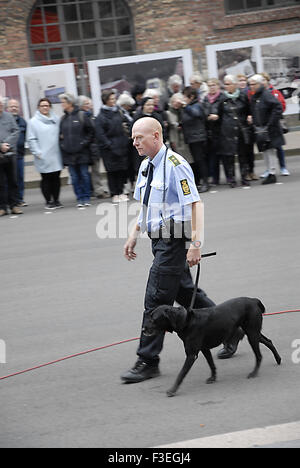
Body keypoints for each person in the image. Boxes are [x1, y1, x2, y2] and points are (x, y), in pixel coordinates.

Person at [121, 117, 215, 384]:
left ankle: (148, 360)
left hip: (173, 240)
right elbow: (147, 205)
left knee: (155, 300)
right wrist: (133, 233)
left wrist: (196, 244)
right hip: (158, 239)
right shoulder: (145, 166)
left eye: (139, 137)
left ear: (156, 136)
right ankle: (230, 328)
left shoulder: (176, 165)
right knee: (186, 293)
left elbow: (195, 205)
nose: (135, 142)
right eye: (133, 138)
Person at [27, 98, 63, 209]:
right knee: (46, 178)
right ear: (38, 107)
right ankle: (48, 201)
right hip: (43, 154)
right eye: (42, 106)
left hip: (56, 154)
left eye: (47, 105)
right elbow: (31, 139)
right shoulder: (33, 121)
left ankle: (56, 200)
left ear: (50, 107)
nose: (45, 108)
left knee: (56, 177)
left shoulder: (56, 119)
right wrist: (37, 152)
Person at [248, 74, 285, 185]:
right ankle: (270, 172)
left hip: (268, 129)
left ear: (259, 84)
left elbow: (277, 107)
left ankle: (272, 173)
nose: (251, 86)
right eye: (250, 84)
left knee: (270, 151)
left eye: (254, 84)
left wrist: (270, 123)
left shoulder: (265, 95)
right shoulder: (256, 96)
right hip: (261, 129)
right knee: (265, 151)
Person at [59, 93, 94, 207]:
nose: (61, 104)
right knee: (74, 177)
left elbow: (91, 132)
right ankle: (79, 198)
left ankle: (86, 197)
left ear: (70, 103)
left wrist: (84, 143)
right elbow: (60, 135)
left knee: (84, 175)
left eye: (63, 102)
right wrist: (63, 145)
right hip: (69, 153)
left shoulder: (81, 115)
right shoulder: (63, 118)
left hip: (82, 152)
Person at [95, 90, 129, 203]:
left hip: (121, 145)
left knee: (121, 170)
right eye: (111, 99)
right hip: (109, 149)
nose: (114, 101)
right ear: (105, 101)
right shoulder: (101, 116)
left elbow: (126, 123)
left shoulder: (118, 112)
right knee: (112, 172)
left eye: (114, 98)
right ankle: (114, 193)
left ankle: (121, 191)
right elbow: (100, 134)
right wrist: (109, 145)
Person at [217, 75, 251, 187]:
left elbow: (248, 110)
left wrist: (249, 116)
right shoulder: (222, 99)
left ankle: (244, 177)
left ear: (235, 85)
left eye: (228, 84)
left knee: (242, 155)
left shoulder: (242, 96)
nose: (226, 86)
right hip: (227, 132)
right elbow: (219, 114)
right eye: (225, 84)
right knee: (229, 156)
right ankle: (231, 178)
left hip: (240, 130)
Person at [77, 95, 109, 199]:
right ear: (81, 106)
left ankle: (97, 189)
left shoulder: (91, 116)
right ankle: (94, 190)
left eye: (89, 103)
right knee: (88, 172)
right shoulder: (81, 117)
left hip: (94, 147)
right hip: (87, 147)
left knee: (95, 170)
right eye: (86, 103)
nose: (89, 105)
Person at [260, 72, 290, 177]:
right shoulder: (258, 94)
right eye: (260, 80)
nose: (262, 82)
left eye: (263, 80)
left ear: (267, 80)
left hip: (275, 123)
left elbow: (282, 106)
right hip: (264, 124)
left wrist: (274, 112)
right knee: (266, 147)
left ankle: (283, 167)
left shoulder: (275, 92)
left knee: (278, 146)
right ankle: (268, 169)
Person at [182, 86, 208, 192]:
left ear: (191, 97)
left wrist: (186, 107)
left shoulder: (197, 105)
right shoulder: (189, 106)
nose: (183, 99)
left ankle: (205, 182)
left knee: (200, 161)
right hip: (192, 137)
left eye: (185, 96)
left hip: (198, 137)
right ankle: (199, 182)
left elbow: (196, 114)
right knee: (197, 161)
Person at [0, 96, 22, 217]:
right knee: (0, 183)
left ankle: (14, 205)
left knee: (13, 181)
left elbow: (16, 131)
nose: (0, 107)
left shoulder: (9, 116)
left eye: (1, 105)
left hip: (10, 153)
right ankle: (2, 207)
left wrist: (6, 144)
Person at [202, 78, 224, 185]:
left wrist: (218, 116)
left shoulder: (222, 97)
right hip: (210, 131)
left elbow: (225, 112)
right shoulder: (205, 99)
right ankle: (215, 178)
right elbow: (203, 113)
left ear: (218, 86)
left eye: (213, 85)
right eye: (209, 85)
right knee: (212, 156)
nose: (211, 87)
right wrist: (207, 117)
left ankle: (230, 177)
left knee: (223, 155)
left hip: (221, 130)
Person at [6, 99, 27, 207]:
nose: (14, 108)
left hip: (19, 155)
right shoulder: (4, 121)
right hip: (7, 155)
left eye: (16, 106)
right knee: (8, 179)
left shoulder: (22, 121)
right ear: (7, 108)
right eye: (11, 106)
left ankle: (19, 199)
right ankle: (9, 200)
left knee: (19, 178)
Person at [166, 92, 193, 165]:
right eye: (174, 101)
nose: (176, 104)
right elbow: (170, 127)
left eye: (178, 102)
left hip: (185, 138)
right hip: (175, 138)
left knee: (188, 159)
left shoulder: (183, 111)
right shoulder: (168, 113)